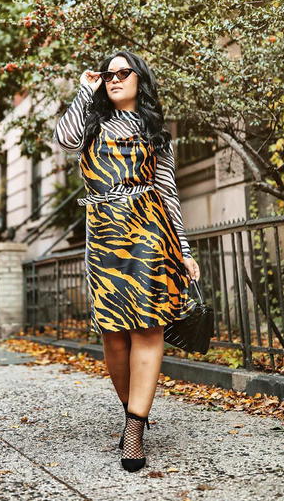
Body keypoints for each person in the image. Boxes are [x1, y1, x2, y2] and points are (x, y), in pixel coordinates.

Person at [53, 50, 201, 472]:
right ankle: (130, 411)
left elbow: (169, 193)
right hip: (103, 233)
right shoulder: (90, 124)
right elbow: (63, 139)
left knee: (149, 328)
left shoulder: (156, 131)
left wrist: (184, 251)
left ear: (140, 79)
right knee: (114, 335)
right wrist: (84, 91)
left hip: (150, 231)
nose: (115, 79)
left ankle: (134, 429)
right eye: (108, 74)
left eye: (123, 72)